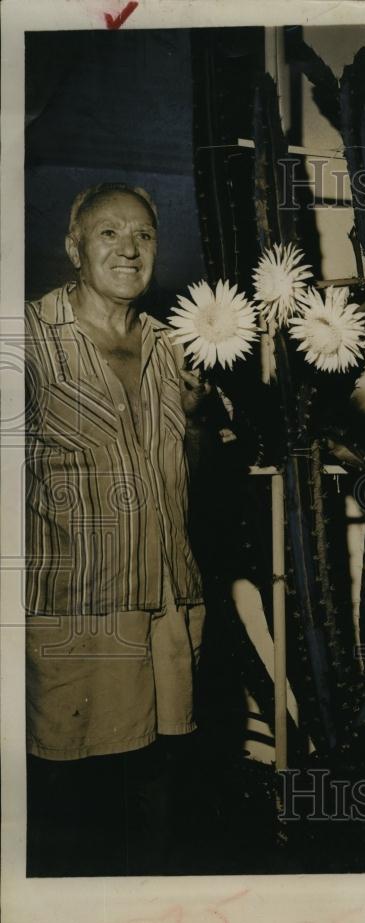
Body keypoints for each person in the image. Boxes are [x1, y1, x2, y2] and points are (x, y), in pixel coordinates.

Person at [25, 182, 211, 875]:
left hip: (165, 596)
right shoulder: (28, 342)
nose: (129, 249)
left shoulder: (174, 347)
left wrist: (195, 420)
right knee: (67, 792)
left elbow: (184, 479)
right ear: (73, 247)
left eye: (143, 235)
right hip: (77, 606)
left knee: (158, 783)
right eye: (108, 234)